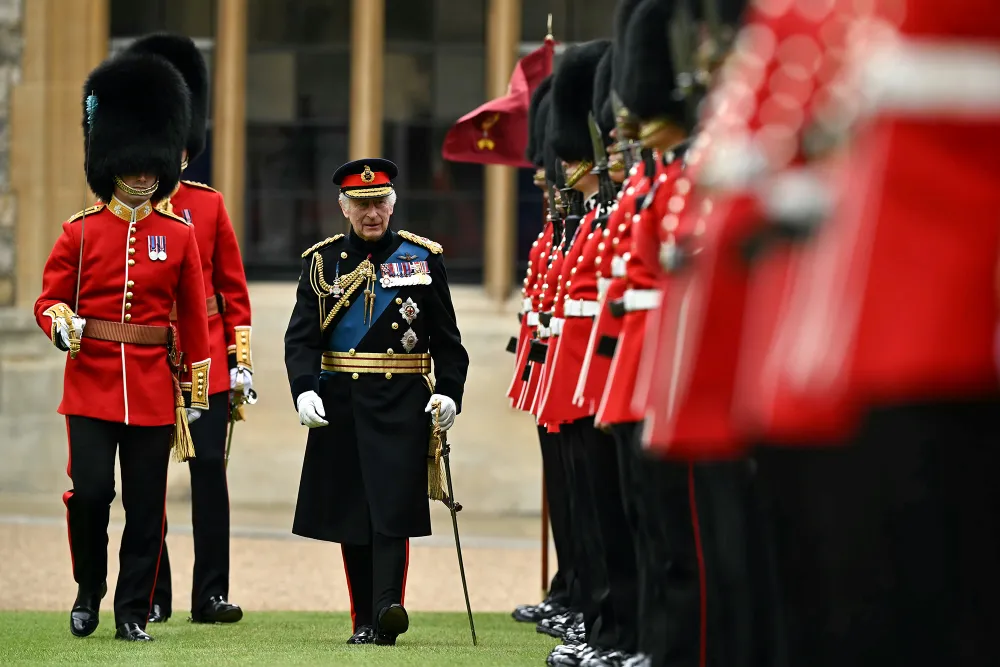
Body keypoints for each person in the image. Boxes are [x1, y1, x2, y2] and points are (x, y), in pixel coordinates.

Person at [33, 51, 212, 642]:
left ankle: (132, 610)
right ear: (111, 164)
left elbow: (192, 316)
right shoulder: (79, 232)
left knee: (146, 508)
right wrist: (61, 324)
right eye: (131, 165)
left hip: (154, 389)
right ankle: (89, 590)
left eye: (150, 166)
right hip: (90, 385)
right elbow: (49, 299)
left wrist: (199, 389)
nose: (141, 175)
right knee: (90, 496)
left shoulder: (180, 236)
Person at [284, 158, 470, 646]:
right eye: (362, 204)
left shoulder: (421, 258)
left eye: (380, 203)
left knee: (391, 508)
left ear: (393, 204)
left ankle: (388, 605)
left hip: (401, 401)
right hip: (341, 400)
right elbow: (301, 339)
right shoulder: (322, 263)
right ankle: (363, 618)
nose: (372, 213)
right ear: (344, 208)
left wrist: (450, 390)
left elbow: (449, 341)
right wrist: (304, 387)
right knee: (352, 512)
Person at [125, 32, 253, 626]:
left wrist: (240, 357)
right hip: (153, 362)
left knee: (209, 481)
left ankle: (211, 594)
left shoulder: (209, 205)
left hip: (209, 366)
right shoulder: (128, 219)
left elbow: (233, 292)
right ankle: (154, 592)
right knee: (148, 484)